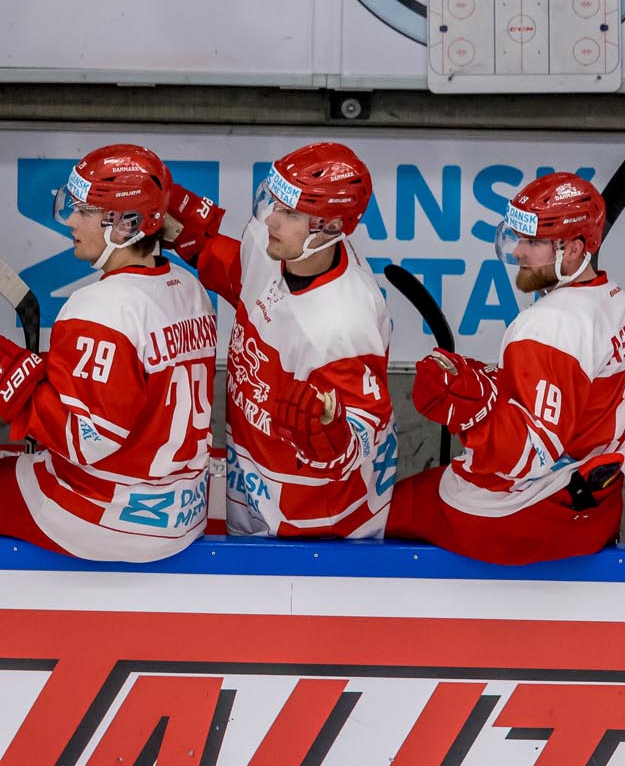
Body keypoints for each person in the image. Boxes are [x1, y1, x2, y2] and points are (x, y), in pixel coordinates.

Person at [387, 173, 625, 565]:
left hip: (528, 515)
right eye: (519, 238)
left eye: (534, 242)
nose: (519, 252)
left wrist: (469, 411)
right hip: (595, 506)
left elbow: (527, 454)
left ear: (573, 250)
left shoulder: (546, 326)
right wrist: (489, 381)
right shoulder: (614, 299)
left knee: (378, 510)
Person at [164, 143, 394, 538]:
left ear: (332, 227)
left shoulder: (343, 327)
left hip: (317, 520)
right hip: (253, 481)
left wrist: (329, 435)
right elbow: (245, 275)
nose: (270, 220)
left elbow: (356, 450)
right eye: (273, 203)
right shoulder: (279, 245)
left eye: (289, 214)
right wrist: (195, 241)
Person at [0, 144, 213, 561]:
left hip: (106, 519)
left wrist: (10, 368)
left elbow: (86, 440)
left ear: (126, 224)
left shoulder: (99, 306)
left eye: (84, 211)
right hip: (182, 511)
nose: (71, 221)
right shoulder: (190, 288)